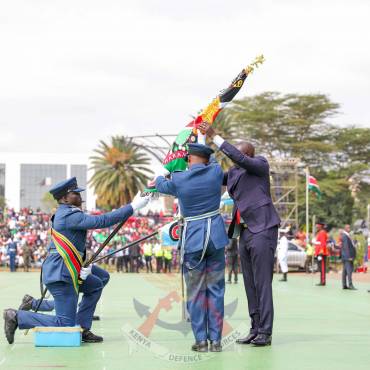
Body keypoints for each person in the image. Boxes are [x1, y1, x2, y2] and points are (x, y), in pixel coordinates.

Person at [3, 177, 150, 344]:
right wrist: (133, 207)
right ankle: (16, 316)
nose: (81, 196)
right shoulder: (68, 214)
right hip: (62, 275)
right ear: (65, 199)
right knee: (65, 324)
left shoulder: (68, 213)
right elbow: (101, 221)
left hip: (68, 270)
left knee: (95, 284)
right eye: (75, 194)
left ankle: (82, 328)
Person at [200, 122, 280, 347]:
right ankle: (255, 328)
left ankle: (266, 331)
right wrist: (195, 160)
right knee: (249, 283)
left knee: (262, 283)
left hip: (263, 229)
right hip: (244, 231)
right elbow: (214, 176)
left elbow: (240, 158)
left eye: (240, 154)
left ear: (249, 155)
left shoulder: (260, 165)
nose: (237, 158)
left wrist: (215, 138)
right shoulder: (234, 173)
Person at [155, 139, 229, 353]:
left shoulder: (179, 178)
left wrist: (165, 167)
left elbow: (159, 183)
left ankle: (201, 341)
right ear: (207, 159)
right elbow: (213, 161)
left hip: (194, 240)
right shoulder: (215, 172)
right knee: (216, 290)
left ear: (189, 158)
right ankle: (216, 341)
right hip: (215, 238)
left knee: (196, 292)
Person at [340, 225, 357, 290]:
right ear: (345, 228)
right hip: (347, 256)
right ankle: (350, 284)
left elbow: (349, 245)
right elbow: (346, 247)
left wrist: (354, 243)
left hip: (345, 256)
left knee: (345, 271)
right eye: (348, 227)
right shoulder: (345, 235)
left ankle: (344, 285)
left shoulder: (347, 235)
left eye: (350, 227)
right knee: (349, 270)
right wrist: (349, 256)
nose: (349, 228)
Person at [314, 221, 329, 286]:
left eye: (318, 225)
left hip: (321, 253)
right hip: (319, 252)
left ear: (320, 226)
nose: (316, 227)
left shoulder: (322, 232)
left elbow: (323, 243)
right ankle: (321, 280)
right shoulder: (319, 232)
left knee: (322, 268)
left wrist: (321, 253)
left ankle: (323, 281)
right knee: (320, 268)